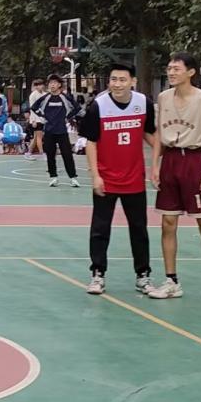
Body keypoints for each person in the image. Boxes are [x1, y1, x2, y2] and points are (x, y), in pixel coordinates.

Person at [149, 53, 201, 305]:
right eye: (169, 68)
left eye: (176, 68)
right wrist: (155, 165)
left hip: (194, 161)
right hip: (170, 161)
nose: (171, 72)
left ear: (191, 72)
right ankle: (171, 281)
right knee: (167, 223)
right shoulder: (163, 97)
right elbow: (159, 133)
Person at [78, 64, 156, 296]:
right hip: (106, 179)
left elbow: (150, 134)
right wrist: (95, 176)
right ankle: (97, 274)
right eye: (113, 79)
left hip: (134, 178)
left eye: (122, 79)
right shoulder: (99, 105)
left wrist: (167, 154)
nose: (117, 84)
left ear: (133, 81)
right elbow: (91, 143)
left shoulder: (144, 103)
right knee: (100, 229)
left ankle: (143, 275)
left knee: (139, 229)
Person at [31, 75, 82, 187]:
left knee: (67, 155)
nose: (52, 85)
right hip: (49, 131)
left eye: (54, 83)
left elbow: (77, 107)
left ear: (59, 85)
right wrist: (43, 116)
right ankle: (53, 177)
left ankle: (73, 178)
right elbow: (34, 107)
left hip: (62, 131)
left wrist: (67, 117)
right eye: (50, 83)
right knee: (50, 155)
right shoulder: (46, 98)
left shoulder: (65, 97)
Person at [26, 79, 46, 160]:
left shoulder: (45, 94)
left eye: (41, 84)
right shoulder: (33, 95)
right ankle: (42, 153)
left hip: (42, 118)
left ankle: (28, 153)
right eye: (37, 85)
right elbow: (32, 108)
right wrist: (33, 120)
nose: (39, 86)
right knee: (39, 137)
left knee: (35, 137)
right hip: (36, 119)